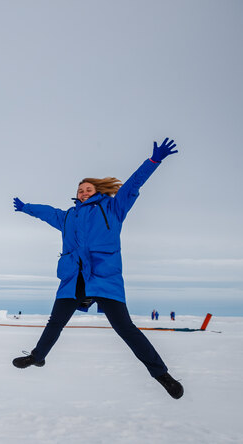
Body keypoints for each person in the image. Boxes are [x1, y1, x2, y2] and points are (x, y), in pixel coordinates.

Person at [11, 138, 184, 400]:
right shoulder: (69, 216)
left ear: (98, 190)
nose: (83, 192)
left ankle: (162, 375)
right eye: (80, 190)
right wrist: (27, 208)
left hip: (104, 276)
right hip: (74, 276)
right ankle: (37, 357)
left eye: (88, 188)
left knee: (125, 328)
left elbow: (133, 185)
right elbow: (48, 212)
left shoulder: (113, 208)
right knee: (55, 321)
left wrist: (153, 161)